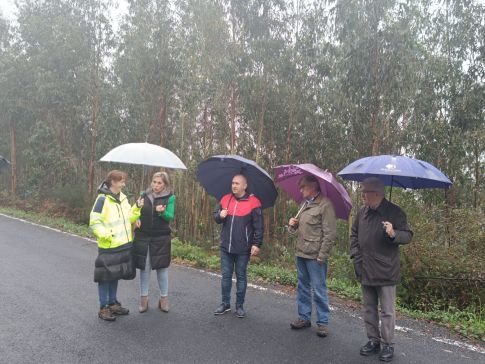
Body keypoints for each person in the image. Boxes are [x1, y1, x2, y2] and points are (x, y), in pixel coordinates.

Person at [350, 177, 413, 362]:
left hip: (386, 270)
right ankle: (373, 341)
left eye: (365, 193)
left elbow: (407, 235)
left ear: (376, 194)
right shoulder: (362, 212)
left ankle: (387, 345)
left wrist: (393, 234)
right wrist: (355, 255)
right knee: (369, 308)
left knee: (387, 311)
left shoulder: (395, 212)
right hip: (364, 267)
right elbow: (354, 234)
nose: (362, 196)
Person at [90, 170, 143, 321]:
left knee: (115, 275)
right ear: (113, 182)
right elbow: (94, 221)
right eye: (121, 181)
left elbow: (129, 218)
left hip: (123, 244)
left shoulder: (123, 198)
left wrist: (137, 207)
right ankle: (103, 307)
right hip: (108, 245)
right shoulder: (102, 199)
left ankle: (113, 303)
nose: (124, 184)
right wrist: (106, 234)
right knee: (104, 277)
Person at [288, 175, 337, 337]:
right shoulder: (304, 205)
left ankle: (322, 323)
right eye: (300, 187)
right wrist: (292, 225)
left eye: (303, 187)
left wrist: (322, 256)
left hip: (315, 257)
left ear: (313, 187)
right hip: (301, 253)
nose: (300, 190)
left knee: (318, 289)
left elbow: (330, 234)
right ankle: (304, 317)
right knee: (302, 287)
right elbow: (299, 229)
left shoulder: (325, 205)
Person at [213, 174, 263, 318]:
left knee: (241, 276)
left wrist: (256, 244)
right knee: (226, 276)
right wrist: (220, 216)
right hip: (225, 246)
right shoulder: (225, 198)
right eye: (233, 183)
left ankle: (239, 305)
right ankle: (225, 303)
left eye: (237, 183)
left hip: (243, 248)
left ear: (245, 186)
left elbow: (259, 226)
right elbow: (216, 217)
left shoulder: (254, 202)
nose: (234, 186)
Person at [133, 171, 176, 313]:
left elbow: (170, 216)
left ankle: (163, 299)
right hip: (143, 236)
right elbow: (137, 210)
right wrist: (136, 218)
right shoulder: (143, 194)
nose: (156, 185)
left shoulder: (170, 197)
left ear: (165, 185)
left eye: (159, 183)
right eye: (154, 182)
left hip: (161, 237)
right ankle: (143, 300)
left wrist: (161, 212)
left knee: (162, 268)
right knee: (145, 268)